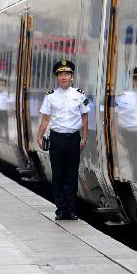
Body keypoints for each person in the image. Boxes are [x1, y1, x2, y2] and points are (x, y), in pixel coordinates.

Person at [36, 60, 89, 220]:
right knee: (58, 175)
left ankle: (71, 210)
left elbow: (85, 117)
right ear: (57, 78)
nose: (64, 77)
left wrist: (84, 138)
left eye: (67, 74)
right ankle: (61, 210)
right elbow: (46, 118)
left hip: (73, 138)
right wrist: (39, 136)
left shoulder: (80, 95)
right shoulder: (50, 96)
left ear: (72, 77)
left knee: (71, 175)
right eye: (60, 74)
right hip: (56, 138)